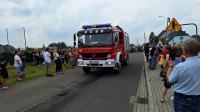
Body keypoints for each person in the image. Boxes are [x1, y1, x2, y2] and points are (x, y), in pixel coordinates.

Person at [169, 38, 200, 112]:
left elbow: (170, 80)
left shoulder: (180, 67)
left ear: (183, 51)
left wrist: (170, 67)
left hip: (182, 100)